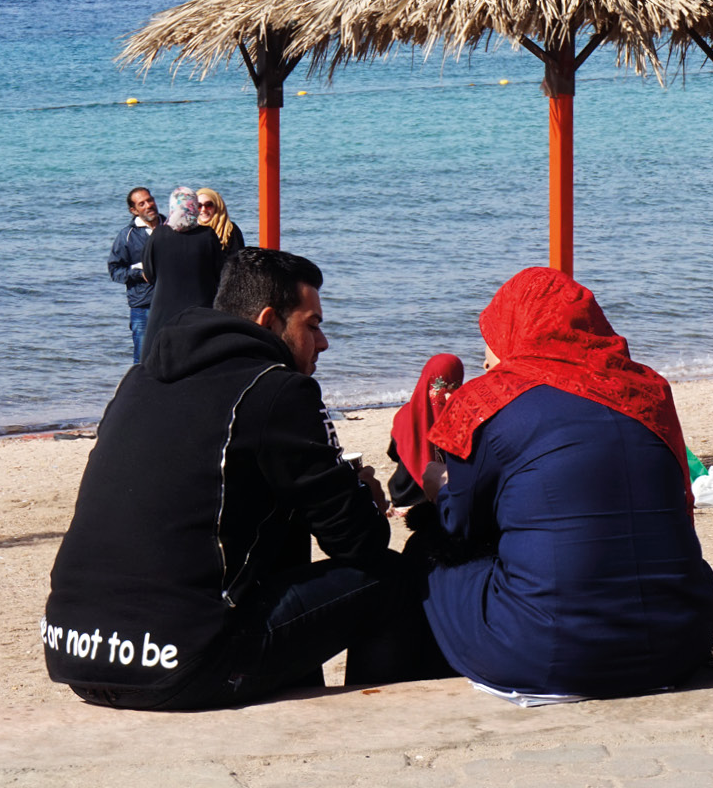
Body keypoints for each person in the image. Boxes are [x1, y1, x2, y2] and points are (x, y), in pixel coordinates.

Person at [43, 248, 448, 710]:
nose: (323, 343)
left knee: (279, 515)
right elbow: (360, 543)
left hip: (73, 649)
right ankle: (371, 727)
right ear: (269, 321)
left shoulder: (139, 380)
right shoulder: (276, 389)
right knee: (392, 578)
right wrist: (360, 493)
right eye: (312, 325)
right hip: (181, 664)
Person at [406, 267, 713, 700]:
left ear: (518, 328)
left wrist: (437, 485)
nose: (484, 361)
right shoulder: (648, 392)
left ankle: (421, 684)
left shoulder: (491, 401)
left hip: (552, 655)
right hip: (682, 642)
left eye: (492, 340)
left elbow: (461, 525)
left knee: (426, 553)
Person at [142, 186, 244, 331]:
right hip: (202, 309)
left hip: (164, 309)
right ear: (194, 207)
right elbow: (220, 272)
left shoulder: (158, 234)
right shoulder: (207, 235)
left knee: (162, 350)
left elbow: (149, 274)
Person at [385, 354, 464, 509]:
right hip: (441, 492)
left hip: (403, 494)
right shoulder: (459, 418)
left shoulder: (404, 415)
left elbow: (394, 454)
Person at [106, 186, 160, 362]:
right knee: (143, 359)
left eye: (149, 200)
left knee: (174, 356)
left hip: (171, 303)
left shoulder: (171, 227)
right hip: (142, 305)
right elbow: (115, 270)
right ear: (134, 210)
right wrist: (139, 273)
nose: (148, 205)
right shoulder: (126, 236)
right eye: (142, 203)